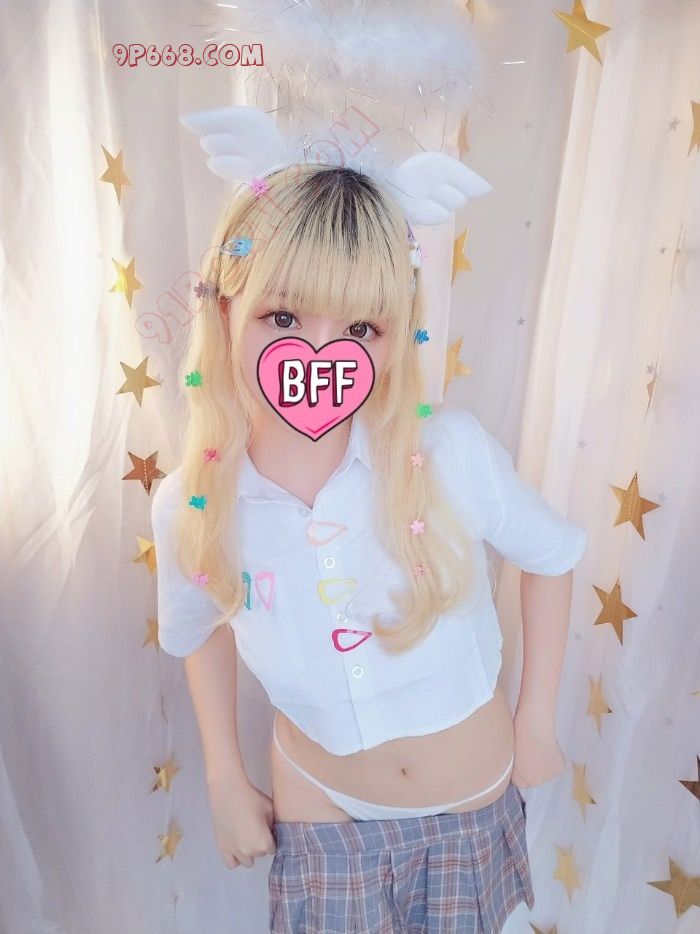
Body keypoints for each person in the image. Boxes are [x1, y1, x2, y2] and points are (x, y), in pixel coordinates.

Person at [151, 162, 587, 932]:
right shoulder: (194, 499)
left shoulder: (448, 452)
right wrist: (223, 775)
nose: (320, 355)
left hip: (471, 806)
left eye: (361, 329)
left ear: (395, 336)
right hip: (320, 811)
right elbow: (200, 625)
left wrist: (538, 720)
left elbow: (550, 556)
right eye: (283, 316)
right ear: (224, 310)